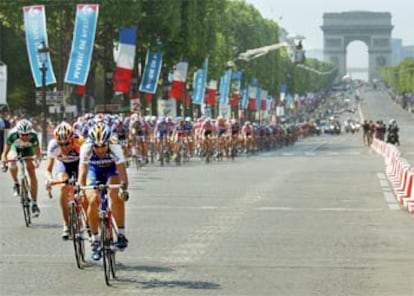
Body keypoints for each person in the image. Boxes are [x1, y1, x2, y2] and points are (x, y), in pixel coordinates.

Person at [78, 122, 129, 261]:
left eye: (103, 146)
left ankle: (121, 234)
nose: (100, 150)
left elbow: (123, 173)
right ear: (92, 144)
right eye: (97, 147)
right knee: (93, 200)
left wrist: (124, 189)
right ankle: (95, 240)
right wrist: (81, 190)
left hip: (111, 169)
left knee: (115, 194)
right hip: (93, 171)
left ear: (108, 143)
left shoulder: (115, 147)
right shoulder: (86, 148)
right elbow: (82, 174)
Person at [45, 122, 86, 239]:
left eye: (67, 143)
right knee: (63, 186)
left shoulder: (80, 142)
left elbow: (87, 165)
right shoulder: (53, 145)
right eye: (60, 144)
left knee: (82, 189)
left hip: (79, 165)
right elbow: (48, 169)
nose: (64, 147)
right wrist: (48, 179)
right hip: (63, 165)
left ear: (72, 139)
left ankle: (84, 218)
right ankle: (66, 223)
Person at [1, 119, 42, 217]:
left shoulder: (34, 136)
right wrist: (4, 163)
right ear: (18, 132)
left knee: (31, 171)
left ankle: (35, 203)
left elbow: (37, 153)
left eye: (27, 134)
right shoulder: (12, 135)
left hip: (28, 150)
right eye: (22, 135)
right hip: (15, 148)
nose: (25, 137)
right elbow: (4, 153)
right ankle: (16, 183)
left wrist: (36, 160)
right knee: (12, 161)